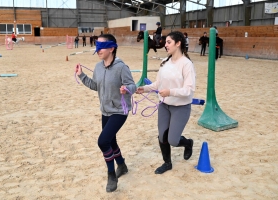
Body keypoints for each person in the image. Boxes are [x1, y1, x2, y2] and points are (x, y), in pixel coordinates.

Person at [75, 34, 136, 192]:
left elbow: (132, 85)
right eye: (97, 45)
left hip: (119, 110)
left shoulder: (122, 67)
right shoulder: (98, 67)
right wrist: (81, 75)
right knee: (111, 141)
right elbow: (96, 86)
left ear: (112, 48)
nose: (98, 49)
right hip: (106, 110)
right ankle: (121, 165)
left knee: (103, 141)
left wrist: (126, 89)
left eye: (102, 46)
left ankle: (111, 174)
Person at [136, 31, 195, 175]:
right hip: (164, 105)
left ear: (178, 43)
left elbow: (188, 90)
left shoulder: (187, 64)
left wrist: (170, 92)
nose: (165, 45)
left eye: (168, 42)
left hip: (181, 107)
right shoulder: (165, 62)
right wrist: (143, 89)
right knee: (162, 137)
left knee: (173, 140)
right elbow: (157, 84)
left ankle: (188, 143)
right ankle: (167, 163)